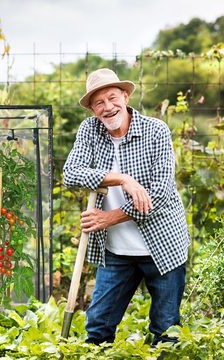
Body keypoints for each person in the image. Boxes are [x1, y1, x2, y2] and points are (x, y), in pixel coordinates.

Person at [63, 68, 190, 346]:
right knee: (97, 327)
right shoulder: (90, 130)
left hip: (163, 245)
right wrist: (123, 179)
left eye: (112, 97)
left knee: (166, 330)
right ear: (93, 109)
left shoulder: (156, 131)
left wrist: (108, 217)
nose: (107, 107)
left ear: (126, 95)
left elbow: (160, 192)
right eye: (99, 102)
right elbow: (71, 173)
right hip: (117, 252)